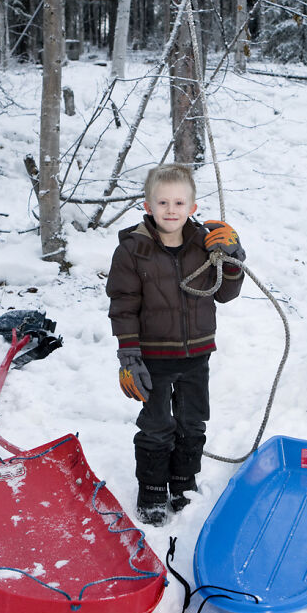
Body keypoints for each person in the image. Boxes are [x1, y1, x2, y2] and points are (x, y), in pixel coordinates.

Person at [106, 164, 246, 525]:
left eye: (179, 202)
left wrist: (232, 257)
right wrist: (128, 355)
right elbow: (123, 305)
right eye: (163, 202)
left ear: (193, 207)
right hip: (152, 356)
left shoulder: (205, 243)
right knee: (155, 424)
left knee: (192, 421)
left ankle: (183, 482)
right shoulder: (133, 250)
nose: (171, 210)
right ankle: (151, 488)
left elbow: (226, 293)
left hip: (197, 354)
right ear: (147, 206)